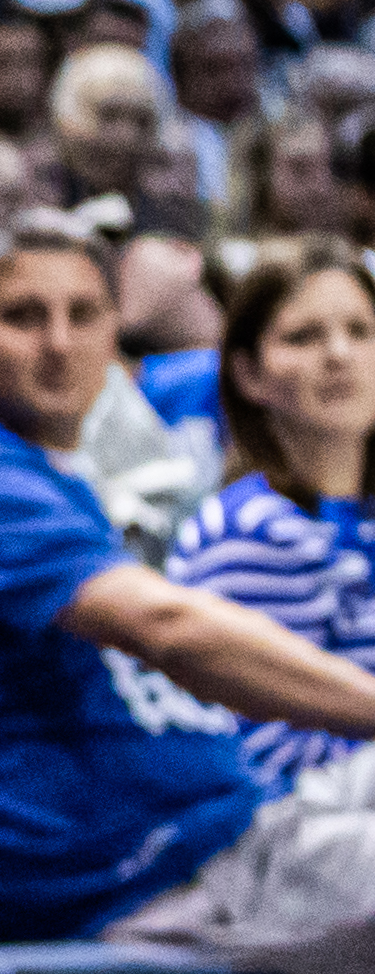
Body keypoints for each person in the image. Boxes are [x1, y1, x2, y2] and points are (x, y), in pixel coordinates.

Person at [0, 218, 375, 974]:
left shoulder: (48, 478)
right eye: (24, 316)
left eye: (83, 314)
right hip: (139, 878)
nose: (58, 342)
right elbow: (171, 630)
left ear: (116, 335)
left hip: (228, 834)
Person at [171, 245, 375, 785]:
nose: (339, 354)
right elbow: (265, 757)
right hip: (297, 835)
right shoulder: (246, 532)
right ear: (248, 374)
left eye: (361, 331)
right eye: (303, 337)